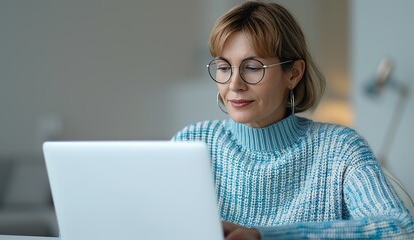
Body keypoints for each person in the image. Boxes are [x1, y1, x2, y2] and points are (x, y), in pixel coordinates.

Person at [172, 1, 414, 239]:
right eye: (224, 68)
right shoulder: (192, 143)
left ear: (294, 74)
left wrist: (266, 236)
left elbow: (400, 230)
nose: (234, 84)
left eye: (253, 68)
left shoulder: (340, 149)